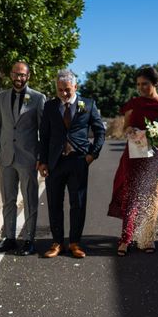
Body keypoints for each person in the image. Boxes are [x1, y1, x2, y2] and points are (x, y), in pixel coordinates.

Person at [108, 66, 158, 255]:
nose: (141, 88)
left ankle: (147, 238)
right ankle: (125, 239)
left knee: (153, 197)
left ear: (155, 83)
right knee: (132, 194)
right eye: (138, 84)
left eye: (145, 84)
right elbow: (125, 128)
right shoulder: (133, 103)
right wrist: (134, 133)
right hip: (135, 153)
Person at [38, 69, 105, 258]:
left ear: (75, 86)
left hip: (78, 161)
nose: (64, 94)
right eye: (60, 90)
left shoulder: (88, 105)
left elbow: (100, 132)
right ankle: (57, 243)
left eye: (67, 90)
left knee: (78, 204)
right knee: (54, 204)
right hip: (55, 163)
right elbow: (44, 136)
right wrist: (42, 161)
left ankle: (75, 242)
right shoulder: (50, 106)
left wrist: (92, 155)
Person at [0, 62, 46, 256]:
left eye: (22, 75)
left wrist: (40, 156)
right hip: (6, 157)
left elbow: (43, 132)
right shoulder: (2, 97)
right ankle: (9, 238)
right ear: (11, 75)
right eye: (15, 74)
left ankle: (29, 239)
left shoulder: (38, 98)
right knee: (8, 200)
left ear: (28, 76)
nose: (18, 78)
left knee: (29, 200)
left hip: (28, 158)